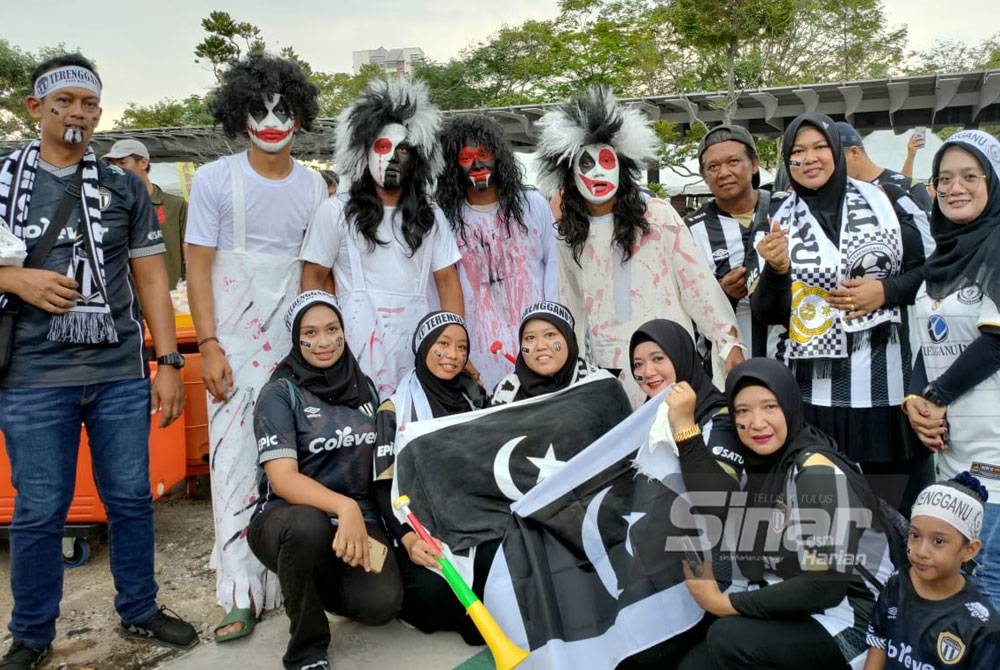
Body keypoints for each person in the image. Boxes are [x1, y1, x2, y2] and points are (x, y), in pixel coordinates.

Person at [0, 53, 196, 668]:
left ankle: (138, 609)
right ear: (36, 108)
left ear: (100, 111)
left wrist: (167, 362)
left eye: (88, 103)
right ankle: (32, 633)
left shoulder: (121, 186)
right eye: (64, 103)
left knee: (132, 498)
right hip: (32, 376)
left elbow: (150, 274)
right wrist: (17, 280)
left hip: (117, 371)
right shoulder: (2, 180)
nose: (77, 114)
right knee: (39, 507)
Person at [184, 53, 327, 643]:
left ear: (300, 116)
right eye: (259, 109)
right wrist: (211, 345)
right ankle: (239, 593)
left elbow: (318, 273)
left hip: (294, 350)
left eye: (283, 109)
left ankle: (291, 585)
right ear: (239, 115)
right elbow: (196, 267)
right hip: (234, 349)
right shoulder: (217, 180)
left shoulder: (315, 183)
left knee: (291, 465)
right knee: (235, 465)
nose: (271, 120)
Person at [749, 112, 930, 515]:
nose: (810, 158)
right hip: (815, 394)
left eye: (819, 147)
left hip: (887, 392)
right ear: (787, 161)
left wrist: (885, 290)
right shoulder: (776, 217)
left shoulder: (886, 201)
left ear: (837, 151)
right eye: (798, 151)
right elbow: (765, 312)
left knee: (898, 516)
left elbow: (929, 272)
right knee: (830, 521)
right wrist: (778, 273)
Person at [671, 359, 896, 669]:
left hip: (851, 620)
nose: (756, 422)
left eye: (770, 407)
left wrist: (721, 603)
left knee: (729, 638)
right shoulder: (756, 465)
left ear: (790, 406)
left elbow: (824, 586)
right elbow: (713, 503)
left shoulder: (815, 471)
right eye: (742, 411)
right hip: (788, 605)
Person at [534, 86, 743, 394]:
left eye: (606, 161)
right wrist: (569, 373)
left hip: (668, 363)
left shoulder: (658, 217)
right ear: (570, 175)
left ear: (622, 165)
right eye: (587, 164)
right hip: (608, 373)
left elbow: (698, 287)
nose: (598, 173)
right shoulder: (568, 235)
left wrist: (727, 342)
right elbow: (571, 306)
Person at [248, 290, 401, 670]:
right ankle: (307, 648)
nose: (324, 342)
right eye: (310, 334)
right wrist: (342, 505)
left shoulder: (363, 386)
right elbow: (282, 479)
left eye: (332, 329)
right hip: (288, 518)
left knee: (382, 605)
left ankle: (316, 586)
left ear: (344, 332)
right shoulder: (279, 394)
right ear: (297, 340)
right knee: (306, 526)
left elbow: (379, 468)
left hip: (356, 521)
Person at [301, 78, 463, 398]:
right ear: (363, 153)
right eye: (382, 147)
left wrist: (454, 341)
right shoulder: (334, 212)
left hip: (418, 347)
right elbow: (312, 278)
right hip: (353, 351)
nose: (392, 158)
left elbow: (447, 282)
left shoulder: (433, 218)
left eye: (402, 149)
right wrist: (322, 343)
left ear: (417, 158)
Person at [904, 129, 1000, 609]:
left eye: (969, 176)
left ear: (994, 182)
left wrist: (934, 398)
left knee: (992, 593)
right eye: (944, 178)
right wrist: (917, 401)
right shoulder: (943, 255)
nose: (953, 187)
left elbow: (997, 343)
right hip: (954, 458)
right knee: (967, 602)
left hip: (996, 455)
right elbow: (926, 344)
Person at [372, 310, 488, 643]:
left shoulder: (476, 398)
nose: (453, 355)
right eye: (443, 344)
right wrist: (408, 539)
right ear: (423, 347)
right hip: (421, 528)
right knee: (434, 595)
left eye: (462, 347)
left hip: (473, 521)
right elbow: (382, 487)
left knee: (498, 573)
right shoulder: (394, 409)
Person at [436, 115, 558, 391]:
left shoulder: (533, 205)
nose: (477, 164)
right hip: (478, 353)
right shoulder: (445, 219)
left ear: (499, 156)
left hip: (538, 348)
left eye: (483, 154)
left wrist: (556, 332)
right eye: (466, 158)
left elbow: (554, 271)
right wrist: (455, 348)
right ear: (454, 166)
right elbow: (442, 287)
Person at [864, 474, 1000, 670]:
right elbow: (878, 642)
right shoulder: (897, 583)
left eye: (938, 541)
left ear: (969, 550)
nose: (920, 552)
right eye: (915, 535)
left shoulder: (983, 627)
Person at [686, 125, 779, 360]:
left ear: (755, 164)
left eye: (733, 162)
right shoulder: (690, 230)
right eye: (713, 167)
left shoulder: (788, 209)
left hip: (793, 358)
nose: (724, 172)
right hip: (728, 364)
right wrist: (721, 294)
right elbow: (683, 302)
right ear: (703, 175)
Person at [838, 121, 934, 255]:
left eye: (835, 161)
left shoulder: (909, 187)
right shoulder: (839, 196)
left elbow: (931, 246)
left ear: (854, 152)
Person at [104, 139, 188, 288]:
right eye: (112, 164)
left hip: (169, 299)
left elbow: (191, 256)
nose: (115, 170)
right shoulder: (107, 209)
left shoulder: (175, 205)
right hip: (126, 303)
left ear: (143, 163)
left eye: (122, 163)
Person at [490, 300, 600, 405]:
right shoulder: (503, 396)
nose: (540, 346)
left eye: (550, 335)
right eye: (530, 338)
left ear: (569, 340)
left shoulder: (598, 384)